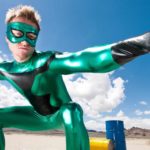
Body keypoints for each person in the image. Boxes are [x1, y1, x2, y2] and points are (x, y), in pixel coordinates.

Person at [0, 5, 150, 150]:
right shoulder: (5, 69)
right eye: (18, 34)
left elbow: (85, 60)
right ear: (7, 36)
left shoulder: (46, 61)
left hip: (63, 116)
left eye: (31, 36)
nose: (25, 41)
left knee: (71, 109)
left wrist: (143, 43)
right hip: (36, 116)